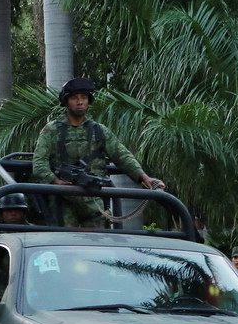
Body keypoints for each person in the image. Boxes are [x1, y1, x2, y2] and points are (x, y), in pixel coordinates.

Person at [32, 77, 163, 225]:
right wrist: (56, 182)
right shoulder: (52, 130)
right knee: (65, 241)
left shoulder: (99, 130)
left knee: (99, 240)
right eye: (74, 98)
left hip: (92, 196)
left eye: (84, 97)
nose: (80, 102)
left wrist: (145, 178)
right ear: (66, 101)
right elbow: (39, 163)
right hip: (62, 199)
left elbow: (122, 156)